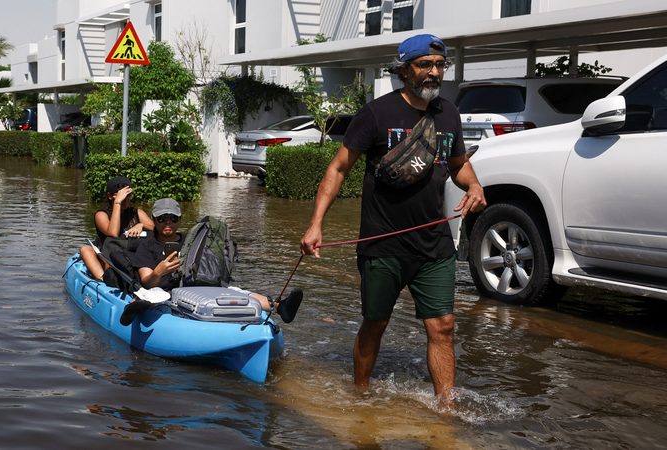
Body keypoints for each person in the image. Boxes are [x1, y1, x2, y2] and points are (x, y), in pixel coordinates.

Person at [300, 34, 486, 404]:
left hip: (434, 244)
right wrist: (316, 223)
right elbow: (338, 169)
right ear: (405, 71)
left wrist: (475, 185)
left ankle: (445, 410)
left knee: (443, 327)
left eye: (439, 65)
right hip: (382, 243)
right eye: (425, 65)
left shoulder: (448, 113)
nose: (434, 73)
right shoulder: (376, 114)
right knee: (376, 323)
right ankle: (361, 396)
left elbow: (458, 165)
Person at [122, 198, 303, 324]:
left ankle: (279, 306)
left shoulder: (191, 241)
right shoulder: (147, 245)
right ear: (154, 220)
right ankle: (137, 309)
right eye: (162, 219)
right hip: (163, 289)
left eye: (173, 218)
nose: (167, 223)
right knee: (153, 294)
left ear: (180, 219)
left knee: (232, 290)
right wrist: (159, 271)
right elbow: (146, 281)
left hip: (195, 286)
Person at [79, 176, 154, 281]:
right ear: (110, 196)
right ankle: (103, 279)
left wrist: (141, 225)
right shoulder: (101, 214)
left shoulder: (136, 212)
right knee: (85, 249)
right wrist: (117, 203)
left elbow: (155, 228)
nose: (126, 200)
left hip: (130, 254)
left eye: (128, 196)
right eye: (121, 196)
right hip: (107, 255)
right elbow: (113, 233)